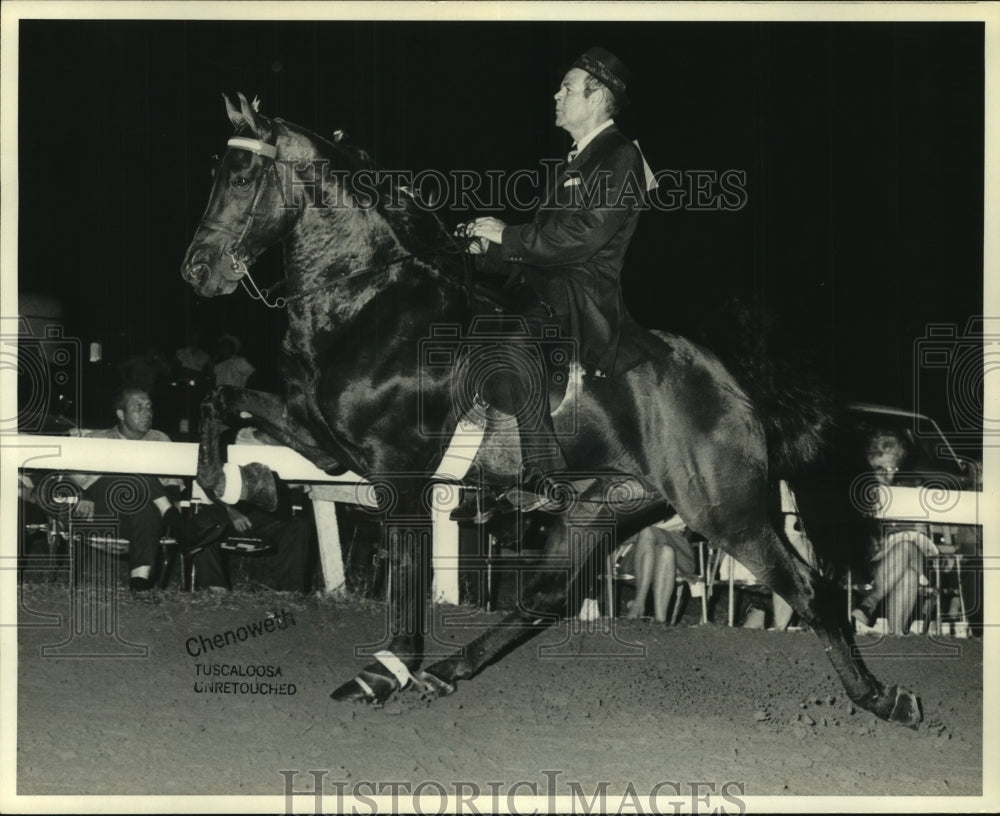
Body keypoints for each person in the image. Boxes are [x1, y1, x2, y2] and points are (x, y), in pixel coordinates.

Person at [456, 46, 648, 515]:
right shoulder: (577, 160)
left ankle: (543, 476)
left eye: (567, 87)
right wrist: (489, 249)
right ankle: (474, 467)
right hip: (547, 287)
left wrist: (508, 234)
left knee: (511, 339)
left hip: (581, 298)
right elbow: (540, 247)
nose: (556, 94)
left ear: (597, 95)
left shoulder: (621, 156)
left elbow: (581, 237)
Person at [65, 386, 187, 591]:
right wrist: (81, 494)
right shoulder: (98, 439)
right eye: (138, 408)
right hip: (103, 511)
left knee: (147, 507)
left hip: (143, 514)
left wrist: (173, 497)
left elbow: (173, 482)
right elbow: (70, 475)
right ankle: (171, 516)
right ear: (121, 414)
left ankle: (139, 582)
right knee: (131, 466)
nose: (147, 413)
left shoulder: (160, 439)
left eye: (149, 407)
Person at [850, 429, 934, 635]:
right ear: (870, 462)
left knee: (907, 551)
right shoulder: (858, 489)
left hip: (905, 557)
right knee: (910, 572)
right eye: (882, 468)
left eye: (894, 467)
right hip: (871, 565)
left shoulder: (908, 489)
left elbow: (922, 532)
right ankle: (894, 630)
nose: (890, 474)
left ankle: (871, 608)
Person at [609, 516, 697, 623]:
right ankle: (660, 621)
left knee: (647, 531)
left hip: (680, 554)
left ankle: (638, 603)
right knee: (666, 551)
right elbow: (620, 535)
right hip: (641, 556)